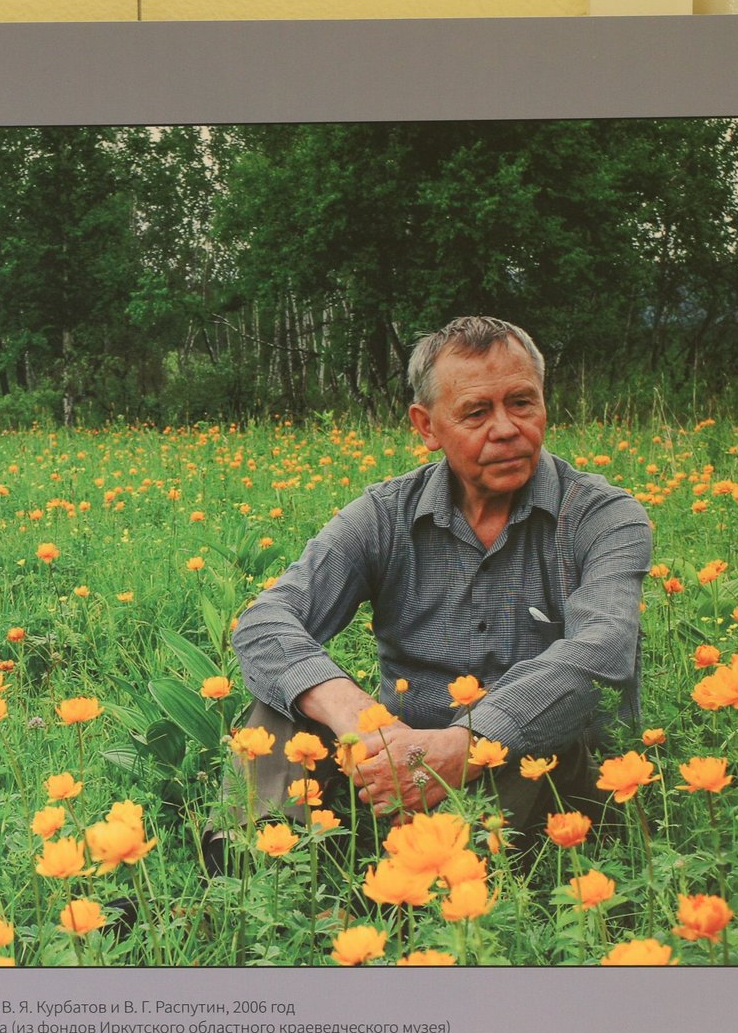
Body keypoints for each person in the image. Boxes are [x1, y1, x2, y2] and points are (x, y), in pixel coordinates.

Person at [226, 316, 650, 855]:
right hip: (399, 763)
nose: (506, 428)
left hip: (541, 774)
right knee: (284, 703)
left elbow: (604, 652)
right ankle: (252, 869)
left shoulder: (604, 516)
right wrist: (353, 713)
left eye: (522, 403)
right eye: (476, 412)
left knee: (523, 738)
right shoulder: (384, 515)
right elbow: (267, 620)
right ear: (426, 427)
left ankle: (415, 885)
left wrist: (463, 745)